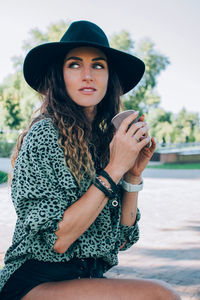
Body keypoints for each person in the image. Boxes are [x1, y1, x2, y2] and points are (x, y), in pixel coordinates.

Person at [0, 20, 180, 300]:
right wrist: (115, 167)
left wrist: (132, 175)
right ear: (60, 75)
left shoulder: (104, 141)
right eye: (74, 64)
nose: (87, 75)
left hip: (85, 278)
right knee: (160, 295)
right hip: (33, 281)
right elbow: (57, 241)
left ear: (109, 78)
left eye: (98, 65)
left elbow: (122, 238)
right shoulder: (45, 135)